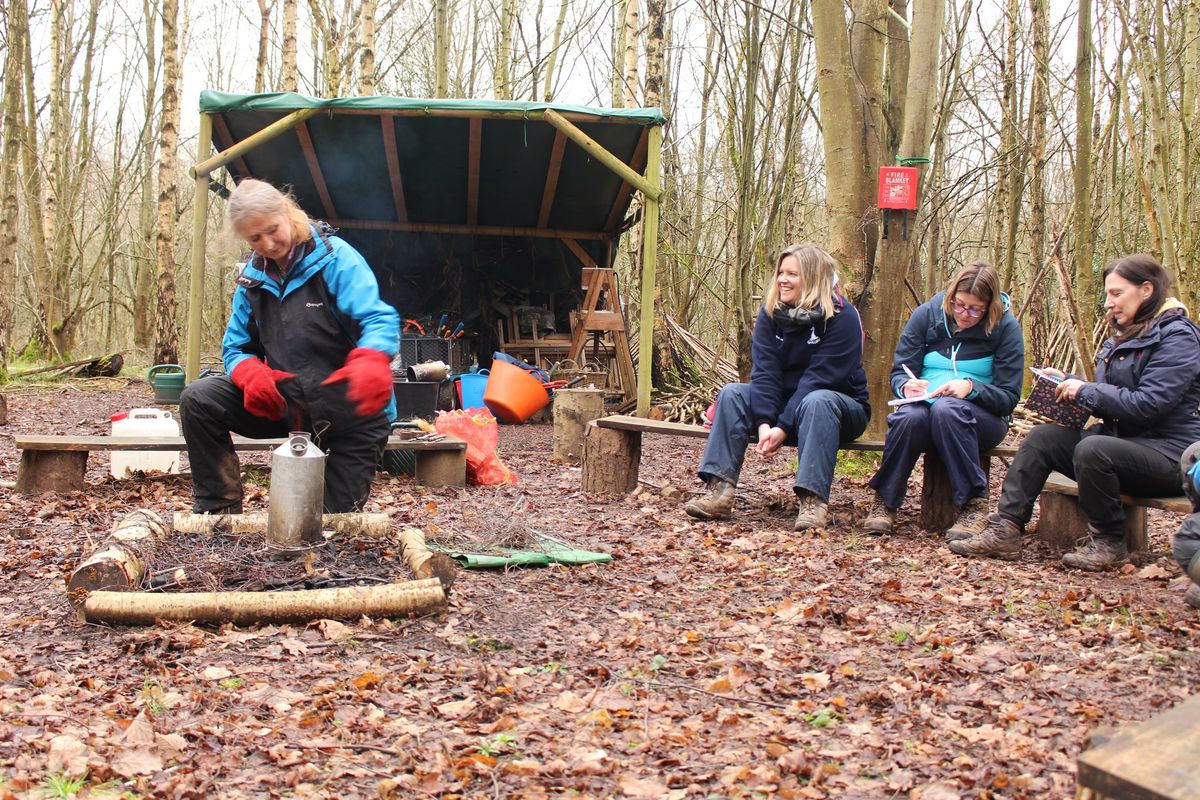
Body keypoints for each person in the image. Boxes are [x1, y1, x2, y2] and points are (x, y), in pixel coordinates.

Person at [950, 254, 1200, 569]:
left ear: (1147, 290)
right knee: (1043, 439)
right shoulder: (1126, 335)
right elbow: (1114, 395)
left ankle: (1109, 542)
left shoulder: (1178, 336)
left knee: (1094, 448)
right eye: (1107, 294)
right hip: (1123, 445)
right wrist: (1070, 384)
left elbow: (1149, 403)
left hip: (1170, 457)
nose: (1108, 303)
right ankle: (1006, 530)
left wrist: (1087, 391)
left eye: (1117, 293)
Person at [180, 179, 400, 515]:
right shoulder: (252, 280)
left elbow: (378, 319)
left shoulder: (335, 259)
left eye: (272, 230)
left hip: (353, 411)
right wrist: (249, 373)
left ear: (287, 211)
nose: (268, 243)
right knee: (198, 399)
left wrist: (373, 358)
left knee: (323, 525)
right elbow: (235, 347)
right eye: (255, 238)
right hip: (292, 407)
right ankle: (218, 509)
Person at [684, 243, 870, 530]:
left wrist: (781, 427)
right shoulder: (772, 313)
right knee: (732, 393)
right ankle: (719, 492)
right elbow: (765, 372)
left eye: (792, 274)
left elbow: (819, 379)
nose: (783, 279)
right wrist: (764, 422)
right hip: (787, 405)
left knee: (817, 400)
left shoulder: (843, 317)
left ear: (812, 278)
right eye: (781, 272)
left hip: (839, 408)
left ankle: (813, 502)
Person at [863, 262, 1024, 536]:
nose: (964, 314)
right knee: (908, 418)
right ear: (950, 297)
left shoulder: (1006, 328)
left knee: (948, 409)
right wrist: (907, 388)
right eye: (959, 305)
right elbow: (899, 373)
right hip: (925, 409)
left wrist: (971, 388)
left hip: (981, 418)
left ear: (990, 307)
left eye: (975, 309)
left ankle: (973, 504)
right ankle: (885, 502)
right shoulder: (927, 315)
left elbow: (1008, 397)